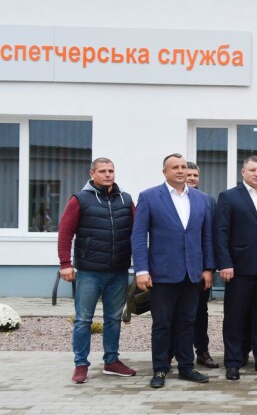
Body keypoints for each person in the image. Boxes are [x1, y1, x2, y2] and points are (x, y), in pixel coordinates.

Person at [132, 153, 215, 389]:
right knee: (162, 324)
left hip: (192, 273)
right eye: (175, 167)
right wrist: (141, 270)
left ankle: (187, 367)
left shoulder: (201, 199)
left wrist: (208, 268)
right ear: (164, 172)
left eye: (183, 167)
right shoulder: (149, 197)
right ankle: (160, 368)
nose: (180, 171)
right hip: (162, 273)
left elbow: (206, 237)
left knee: (188, 322)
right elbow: (139, 236)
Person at [58, 157, 136, 384]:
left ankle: (111, 361)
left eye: (111, 170)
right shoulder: (80, 199)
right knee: (83, 319)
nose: (108, 174)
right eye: (102, 171)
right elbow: (65, 232)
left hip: (119, 270)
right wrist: (65, 263)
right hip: (89, 271)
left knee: (113, 318)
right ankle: (81, 364)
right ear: (92, 174)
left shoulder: (125, 199)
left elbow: (137, 232)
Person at [214, 156, 257, 381]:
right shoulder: (229, 197)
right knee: (235, 317)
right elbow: (221, 232)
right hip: (239, 268)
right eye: (252, 170)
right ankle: (233, 362)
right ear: (243, 172)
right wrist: (224, 263)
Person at [172, 162, 219, 369]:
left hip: (199, 269)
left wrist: (209, 268)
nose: (191, 178)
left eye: (195, 175)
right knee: (173, 313)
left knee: (200, 312)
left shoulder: (207, 201)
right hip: (173, 267)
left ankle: (202, 351)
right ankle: (171, 352)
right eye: (188, 174)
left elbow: (211, 235)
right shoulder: (169, 198)